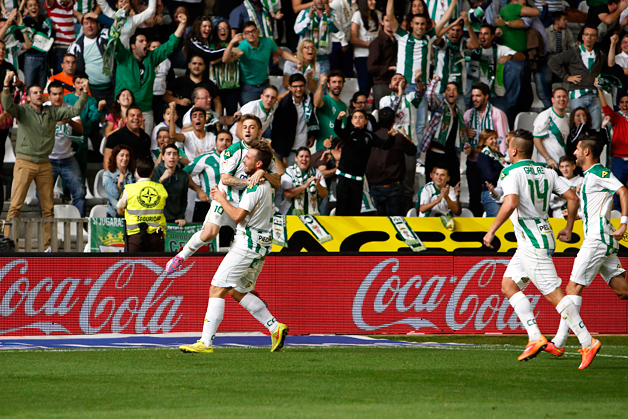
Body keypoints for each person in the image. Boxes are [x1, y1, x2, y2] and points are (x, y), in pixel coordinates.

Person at [482, 129, 601, 370]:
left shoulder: (509, 172)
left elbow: (511, 202)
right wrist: (568, 228)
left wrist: (492, 230)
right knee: (508, 285)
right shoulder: (547, 171)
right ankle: (535, 336)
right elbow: (572, 197)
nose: (506, 148)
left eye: (508, 145)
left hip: (532, 243)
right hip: (539, 238)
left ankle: (588, 341)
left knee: (555, 295)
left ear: (514, 150)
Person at [178, 141, 289, 354]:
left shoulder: (256, 185)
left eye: (247, 157)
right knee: (238, 290)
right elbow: (275, 179)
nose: (243, 159)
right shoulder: (264, 182)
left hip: (247, 244)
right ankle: (275, 327)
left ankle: (205, 343)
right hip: (262, 244)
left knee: (217, 287)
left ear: (258, 164)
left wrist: (220, 198)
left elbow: (238, 215)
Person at [165, 114, 280, 274]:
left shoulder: (265, 154)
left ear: (260, 131)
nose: (247, 130)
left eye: (251, 127)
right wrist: (249, 182)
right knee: (210, 233)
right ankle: (181, 257)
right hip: (225, 198)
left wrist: (263, 173)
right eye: (244, 127)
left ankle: (245, 285)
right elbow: (225, 179)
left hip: (246, 205)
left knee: (245, 242)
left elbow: (277, 182)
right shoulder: (232, 151)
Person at [546, 136, 628, 356]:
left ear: (587, 153)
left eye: (577, 149)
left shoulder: (600, 172)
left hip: (597, 239)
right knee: (622, 291)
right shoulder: (588, 177)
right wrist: (578, 215)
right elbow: (595, 208)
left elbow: (623, 191)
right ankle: (559, 342)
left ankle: (560, 342)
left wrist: (623, 224)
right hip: (600, 238)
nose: (574, 152)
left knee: (572, 288)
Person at [2, 70, 87, 249]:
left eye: (41, 92)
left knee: (48, 208)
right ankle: (8, 242)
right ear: (28, 97)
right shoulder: (23, 110)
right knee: (15, 205)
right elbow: (7, 106)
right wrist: (6, 86)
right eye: (35, 92)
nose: (39, 94)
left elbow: (75, 110)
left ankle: (47, 245)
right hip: (25, 162)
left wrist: (85, 92)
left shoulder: (52, 112)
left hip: (45, 164)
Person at [114, 11, 187, 135]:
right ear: (132, 46)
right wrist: (117, 19)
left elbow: (170, 45)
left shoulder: (151, 57)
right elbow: (114, 41)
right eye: (141, 41)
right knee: (123, 145)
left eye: (146, 41)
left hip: (145, 110)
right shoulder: (123, 57)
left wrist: (182, 25)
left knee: (144, 143)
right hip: (124, 109)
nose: (145, 44)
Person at [333, 109, 395, 215]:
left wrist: (392, 137)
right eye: (355, 117)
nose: (357, 120)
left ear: (366, 121)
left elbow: (385, 145)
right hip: (343, 177)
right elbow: (338, 130)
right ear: (351, 120)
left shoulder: (369, 136)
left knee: (355, 210)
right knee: (341, 209)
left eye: (361, 117)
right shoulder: (348, 133)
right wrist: (338, 120)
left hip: (358, 180)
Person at [222, 21, 300, 105]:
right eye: (247, 33)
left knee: (268, 112)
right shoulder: (242, 46)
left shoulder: (267, 42)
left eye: (253, 31)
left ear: (257, 32)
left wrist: (297, 61)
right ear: (244, 35)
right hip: (248, 87)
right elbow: (225, 59)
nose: (250, 34)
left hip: (265, 84)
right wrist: (231, 43)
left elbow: (282, 53)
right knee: (249, 114)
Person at [463, 82, 509, 215]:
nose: (474, 99)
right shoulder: (468, 114)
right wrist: (466, 135)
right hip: (473, 162)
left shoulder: (497, 114)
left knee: (493, 197)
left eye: (478, 96)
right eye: (473, 96)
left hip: (490, 163)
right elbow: (463, 139)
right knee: (474, 199)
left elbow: (502, 139)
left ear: (486, 96)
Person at [548, 26, 605, 130]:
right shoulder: (573, 52)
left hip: (595, 94)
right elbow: (553, 62)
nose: (589, 37)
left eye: (592, 35)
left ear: (596, 38)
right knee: (577, 127)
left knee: (596, 128)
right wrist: (566, 77)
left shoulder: (600, 53)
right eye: (587, 34)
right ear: (582, 37)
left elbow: (608, 67)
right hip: (578, 94)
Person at [45, 80, 86, 216]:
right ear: (49, 95)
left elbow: (80, 129)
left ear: (64, 94)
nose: (57, 97)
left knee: (79, 192)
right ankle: (46, 224)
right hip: (48, 159)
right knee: (43, 194)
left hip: (68, 158)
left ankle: (78, 226)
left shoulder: (70, 109)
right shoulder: (43, 109)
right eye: (54, 94)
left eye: (60, 94)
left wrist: (68, 120)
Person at [366, 107, 417, 216]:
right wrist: (404, 135)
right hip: (393, 188)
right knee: (396, 224)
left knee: (379, 227)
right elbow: (413, 150)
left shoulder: (371, 137)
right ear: (394, 121)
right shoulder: (398, 138)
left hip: (374, 187)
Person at [465, 25, 524, 115]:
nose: (482, 37)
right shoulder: (474, 48)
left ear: (492, 36)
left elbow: (521, 56)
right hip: (476, 94)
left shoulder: (500, 49)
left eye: (486, 34)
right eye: (480, 34)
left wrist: (509, 56)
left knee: (500, 120)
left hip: (495, 94)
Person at [420, 76, 466, 188]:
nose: (451, 92)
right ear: (444, 94)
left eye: (454, 90)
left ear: (458, 95)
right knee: (431, 188)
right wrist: (435, 80)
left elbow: (460, 135)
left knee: (455, 187)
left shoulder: (459, 114)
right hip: (436, 154)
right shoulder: (441, 107)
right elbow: (429, 95)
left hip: (451, 155)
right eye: (448, 90)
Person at [117, 155, 168, 252]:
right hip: (156, 237)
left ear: (136, 171)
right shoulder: (161, 189)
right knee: (156, 266)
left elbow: (119, 210)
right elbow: (163, 206)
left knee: (132, 265)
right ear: (152, 172)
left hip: (134, 237)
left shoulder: (129, 189)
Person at [184, 130, 233, 222]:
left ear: (232, 143)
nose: (224, 143)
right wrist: (199, 191)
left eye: (228, 140)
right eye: (221, 139)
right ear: (215, 142)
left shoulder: (235, 161)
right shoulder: (206, 158)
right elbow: (184, 174)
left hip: (228, 205)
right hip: (206, 205)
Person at [272, 74, 319, 165]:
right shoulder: (284, 104)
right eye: (295, 86)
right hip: (288, 151)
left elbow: (312, 119)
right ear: (289, 87)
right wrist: (283, 155)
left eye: (301, 86)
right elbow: (278, 131)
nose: (298, 89)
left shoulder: (308, 100)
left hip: (303, 148)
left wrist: (312, 135)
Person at [163, 54, 222, 127]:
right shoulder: (179, 81)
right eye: (194, 63)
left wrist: (217, 124)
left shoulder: (210, 84)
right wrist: (179, 101)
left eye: (200, 64)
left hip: (205, 125)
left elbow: (217, 103)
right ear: (189, 65)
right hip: (179, 125)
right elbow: (165, 96)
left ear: (204, 67)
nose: (197, 66)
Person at [67, 14, 113, 104]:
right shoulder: (76, 46)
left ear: (97, 24)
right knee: (95, 116)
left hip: (112, 88)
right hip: (91, 91)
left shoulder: (105, 36)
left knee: (112, 117)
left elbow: (116, 25)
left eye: (92, 22)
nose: (89, 26)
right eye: (86, 23)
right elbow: (68, 67)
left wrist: (97, 16)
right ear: (82, 27)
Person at [151, 143, 200, 226]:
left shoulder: (183, 175)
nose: (172, 157)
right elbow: (151, 193)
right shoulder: (156, 171)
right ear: (163, 157)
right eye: (168, 154)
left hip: (175, 218)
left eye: (174, 154)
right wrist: (162, 179)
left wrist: (181, 216)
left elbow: (183, 199)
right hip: (157, 217)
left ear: (178, 157)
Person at [598, 82, 628, 210]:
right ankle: (616, 214)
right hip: (618, 159)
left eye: (627, 102)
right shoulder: (616, 117)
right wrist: (599, 90)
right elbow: (606, 109)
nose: (625, 105)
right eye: (622, 102)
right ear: (618, 104)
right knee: (616, 188)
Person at [295, 0, 340, 76]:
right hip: (305, 59)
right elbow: (297, 31)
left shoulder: (332, 13)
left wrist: (329, 17)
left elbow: (336, 29)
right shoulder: (305, 12)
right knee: (304, 85)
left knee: (323, 86)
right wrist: (309, 18)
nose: (320, 0)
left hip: (323, 59)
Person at [280, 147, 328, 215]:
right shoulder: (289, 171)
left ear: (310, 158)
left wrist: (318, 185)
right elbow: (287, 194)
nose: (304, 159)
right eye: (301, 156)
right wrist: (305, 185)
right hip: (289, 213)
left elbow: (324, 194)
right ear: (296, 158)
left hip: (312, 213)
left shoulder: (317, 172)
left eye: (307, 156)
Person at [208, 20, 240, 116]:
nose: (223, 30)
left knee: (232, 115)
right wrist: (226, 55)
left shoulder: (235, 44)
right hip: (217, 86)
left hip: (233, 86)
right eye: (220, 28)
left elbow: (239, 53)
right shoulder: (212, 45)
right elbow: (211, 61)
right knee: (217, 116)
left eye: (225, 28)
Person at [532, 88, 570, 170]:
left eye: (564, 97)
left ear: (568, 99)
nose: (562, 99)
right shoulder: (545, 116)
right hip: (546, 164)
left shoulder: (567, 118)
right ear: (552, 100)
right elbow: (536, 139)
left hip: (560, 165)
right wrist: (548, 158)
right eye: (558, 97)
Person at [350, 0, 381, 95]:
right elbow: (353, 39)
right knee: (364, 86)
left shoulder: (378, 14)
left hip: (376, 56)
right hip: (362, 56)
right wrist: (371, 45)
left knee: (377, 86)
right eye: (370, 0)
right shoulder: (357, 15)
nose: (374, 2)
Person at [367, 14, 397, 109]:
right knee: (382, 115)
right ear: (382, 22)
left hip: (396, 83)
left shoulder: (398, 41)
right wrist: (388, 68)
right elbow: (371, 67)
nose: (389, 24)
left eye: (391, 21)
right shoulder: (377, 42)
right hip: (382, 82)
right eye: (387, 20)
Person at [22, 0, 53, 90]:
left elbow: (50, 37)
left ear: (39, 7)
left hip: (44, 59)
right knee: (29, 87)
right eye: (30, 5)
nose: (33, 7)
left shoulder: (45, 21)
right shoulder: (24, 22)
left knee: (42, 88)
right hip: (30, 58)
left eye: (35, 5)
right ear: (27, 9)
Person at [313, 70, 346, 151]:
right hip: (324, 149)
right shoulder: (325, 99)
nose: (337, 85)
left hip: (339, 150)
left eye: (339, 82)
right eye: (334, 82)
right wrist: (321, 84)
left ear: (343, 84)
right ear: (328, 84)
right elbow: (316, 103)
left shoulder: (343, 105)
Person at [476, 129, 505, 217]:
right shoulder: (483, 156)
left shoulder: (499, 156)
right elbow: (489, 176)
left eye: (495, 138)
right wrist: (504, 171)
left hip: (503, 192)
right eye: (491, 138)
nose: (495, 141)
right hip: (489, 193)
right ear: (484, 142)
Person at [103, 144, 136, 218]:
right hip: (113, 214)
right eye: (122, 155)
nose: (125, 158)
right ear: (115, 158)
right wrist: (121, 178)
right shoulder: (107, 175)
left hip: (131, 213)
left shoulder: (133, 175)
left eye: (127, 156)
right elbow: (115, 195)